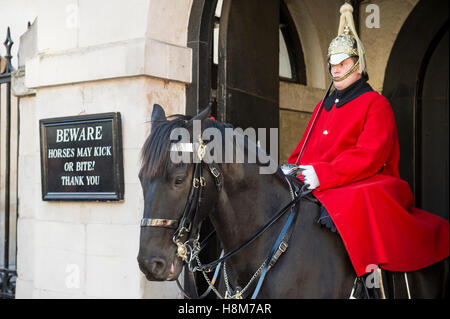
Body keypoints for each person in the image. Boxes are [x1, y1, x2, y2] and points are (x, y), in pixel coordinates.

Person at [287, 3, 448, 281]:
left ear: (358, 65)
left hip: (365, 180)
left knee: (352, 200)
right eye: (333, 64)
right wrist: (292, 168)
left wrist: (323, 174)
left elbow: (369, 156)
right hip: (323, 179)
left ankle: (370, 282)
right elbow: (303, 149)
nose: (336, 70)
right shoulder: (322, 106)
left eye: (343, 64)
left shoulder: (376, 103)